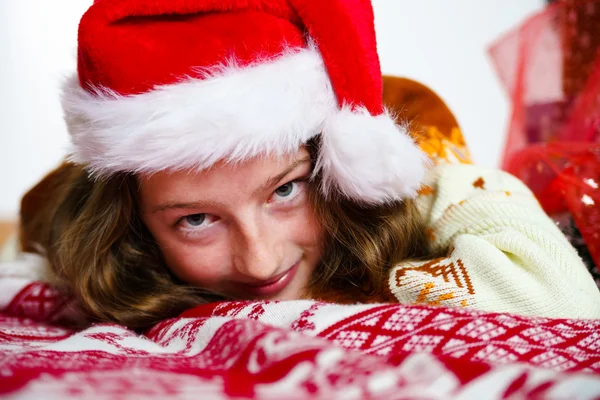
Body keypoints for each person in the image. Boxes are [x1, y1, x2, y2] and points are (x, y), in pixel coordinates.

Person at [16, 0, 600, 329]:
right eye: (195, 220)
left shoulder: (404, 179)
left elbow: (566, 305)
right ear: (138, 224)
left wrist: (362, 289)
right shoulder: (90, 231)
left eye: (286, 191)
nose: (260, 260)